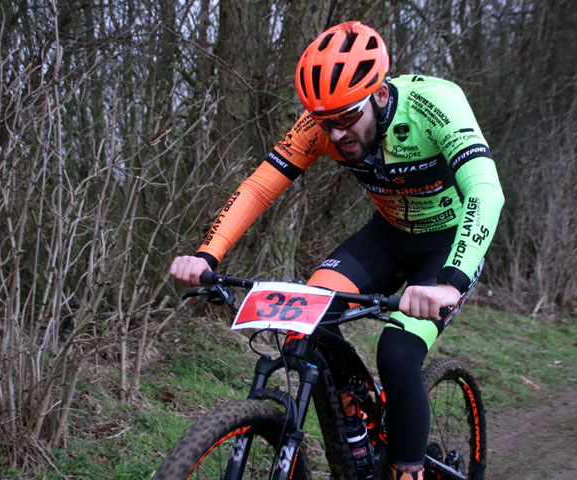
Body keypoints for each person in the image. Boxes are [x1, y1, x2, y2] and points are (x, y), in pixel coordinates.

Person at [171, 21, 504, 480]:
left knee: (397, 353)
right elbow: (259, 188)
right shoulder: (321, 125)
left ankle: (407, 471)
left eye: (348, 117)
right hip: (386, 236)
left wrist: (450, 281)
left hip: (446, 247)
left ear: (380, 95)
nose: (338, 134)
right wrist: (208, 255)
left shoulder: (435, 104)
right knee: (300, 325)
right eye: (327, 122)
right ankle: (354, 435)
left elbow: (486, 191)